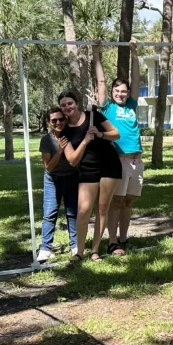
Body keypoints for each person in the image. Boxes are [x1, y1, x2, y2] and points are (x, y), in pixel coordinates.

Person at [58, 89, 122, 263]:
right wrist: (86, 141)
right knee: (83, 210)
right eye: (63, 105)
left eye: (69, 103)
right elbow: (72, 160)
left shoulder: (94, 116)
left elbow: (116, 134)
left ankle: (94, 251)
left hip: (110, 166)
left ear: (76, 103)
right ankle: (79, 252)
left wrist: (99, 134)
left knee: (102, 209)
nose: (67, 107)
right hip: (88, 169)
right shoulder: (64, 132)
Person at [98, 41, 143, 255]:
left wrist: (134, 53)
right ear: (112, 91)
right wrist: (96, 54)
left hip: (137, 160)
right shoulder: (107, 107)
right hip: (119, 159)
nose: (120, 94)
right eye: (117, 90)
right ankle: (112, 241)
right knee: (116, 202)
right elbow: (100, 80)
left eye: (123, 91)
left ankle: (124, 238)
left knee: (128, 201)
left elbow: (136, 80)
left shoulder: (132, 104)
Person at [37, 107, 79, 261]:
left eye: (61, 119)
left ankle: (75, 246)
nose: (58, 122)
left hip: (72, 177)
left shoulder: (72, 136)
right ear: (48, 122)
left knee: (72, 214)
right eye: (54, 120)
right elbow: (48, 166)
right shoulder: (47, 140)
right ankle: (45, 248)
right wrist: (60, 151)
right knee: (49, 214)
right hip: (52, 180)